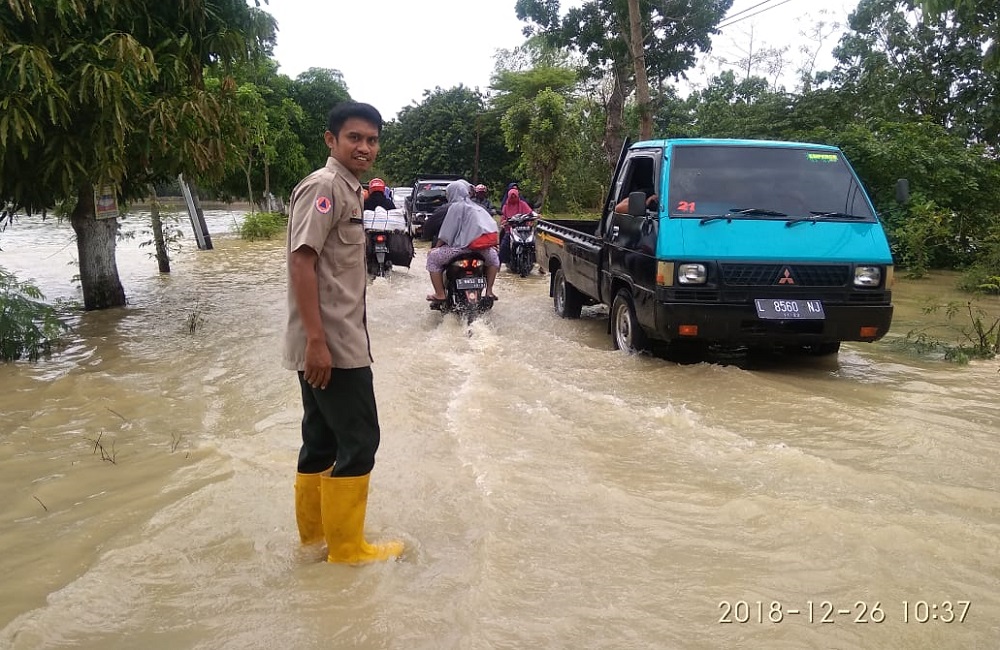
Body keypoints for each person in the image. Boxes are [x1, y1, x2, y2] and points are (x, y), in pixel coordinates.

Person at [284, 101, 403, 565]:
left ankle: (315, 544)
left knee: (321, 440)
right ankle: (349, 551)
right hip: (332, 345)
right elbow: (302, 261)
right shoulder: (326, 187)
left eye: (372, 139)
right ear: (331, 140)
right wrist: (318, 342)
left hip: (326, 341)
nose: (365, 147)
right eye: (355, 137)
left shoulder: (350, 190)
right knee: (360, 440)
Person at [425, 180, 500, 302]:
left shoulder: (455, 207)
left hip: (460, 250)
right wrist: (493, 246)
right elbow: (491, 227)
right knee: (494, 259)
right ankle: (489, 291)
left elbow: (446, 233)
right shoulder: (477, 207)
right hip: (480, 250)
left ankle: (440, 294)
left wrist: (436, 248)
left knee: (432, 259)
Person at [498, 188, 534, 266]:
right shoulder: (506, 207)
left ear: (518, 196)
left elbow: (530, 213)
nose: (513, 198)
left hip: (524, 230)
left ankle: (534, 261)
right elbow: (503, 218)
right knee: (504, 246)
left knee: (533, 244)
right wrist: (504, 222)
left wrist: (532, 218)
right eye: (512, 197)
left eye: (515, 197)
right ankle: (498, 264)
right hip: (511, 230)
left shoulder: (523, 204)